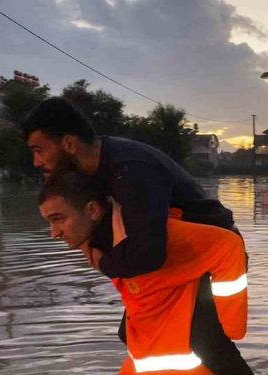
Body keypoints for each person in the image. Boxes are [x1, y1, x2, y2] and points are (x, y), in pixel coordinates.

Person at [22, 97, 251, 374]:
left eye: (39, 150)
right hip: (168, 253)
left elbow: (148, 254)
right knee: (129, 333)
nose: (36, 161)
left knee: (205, 339)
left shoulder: (130, 170)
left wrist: (103, 261)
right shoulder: (90, 168)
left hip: (208, 254)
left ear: (69, 144)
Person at [38, 171, 250, 374]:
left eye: (58, 219)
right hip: (155, 340)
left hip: (210, 277)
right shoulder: (100, 241)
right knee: (128, 334)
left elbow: (228, 245)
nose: (53, 233)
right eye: (49, 222)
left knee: (210, 344)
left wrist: (232, 325)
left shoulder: (152, 236)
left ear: (93, 211)